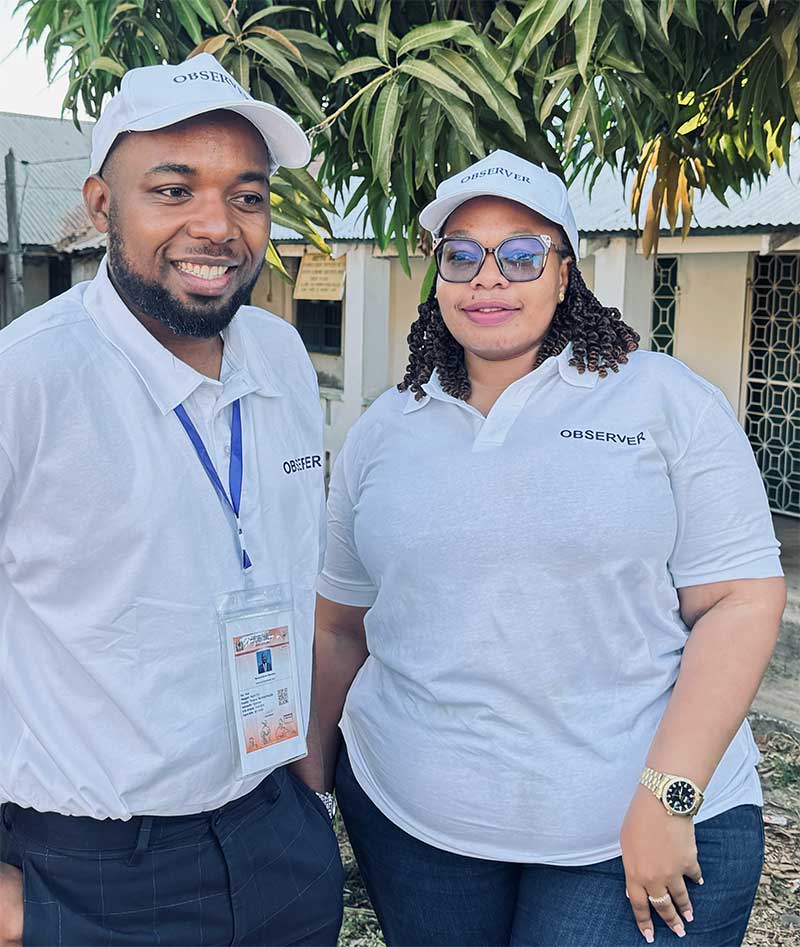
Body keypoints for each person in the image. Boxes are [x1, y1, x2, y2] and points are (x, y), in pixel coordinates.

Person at [314, 150, 786, 947]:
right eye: (461, 255)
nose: (487, 278)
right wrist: (311, 788)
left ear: (565, 274)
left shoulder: (663, 399)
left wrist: (668, 798)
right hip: (414, 825)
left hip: (634, 826)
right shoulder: (385, 428)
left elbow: (741, 602)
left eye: (521, 254)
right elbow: (338, 626)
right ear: (438, 276)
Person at [0, 55, 342, 947]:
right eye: (173, 189)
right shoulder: (27, 379)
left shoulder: (280, 357)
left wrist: (304, 791)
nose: (217, 226)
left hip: (275, 834)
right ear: (102, 205)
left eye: (248, 195)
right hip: (90, 873)